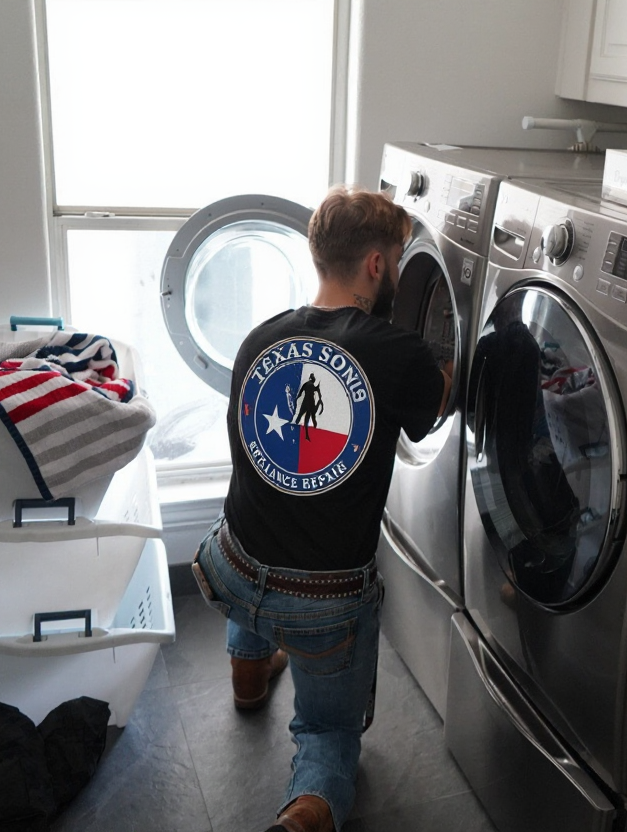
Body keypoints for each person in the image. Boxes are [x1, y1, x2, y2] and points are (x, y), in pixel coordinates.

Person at [190, 185, 452, 832]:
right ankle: (303, 816)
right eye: (395, 256)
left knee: (262, 525)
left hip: (227, 567)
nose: (395, 267)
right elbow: (437, 404)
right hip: (322, 605)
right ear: (375, 265)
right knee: (329, 733)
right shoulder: (397, 355)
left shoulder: (259, 339)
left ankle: (249, 676)